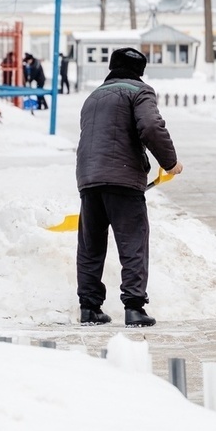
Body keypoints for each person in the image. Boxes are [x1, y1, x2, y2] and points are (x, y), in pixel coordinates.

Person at [75, 47, 183, 327]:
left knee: (91, 245)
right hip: (123, 178)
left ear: (111, 67)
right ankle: (134, 307)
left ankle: (89, 308)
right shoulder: (139, 91)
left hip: (88, 178)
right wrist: (170, 162)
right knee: (132, 241)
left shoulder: (93, 97)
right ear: (140, 71)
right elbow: (150, 126)